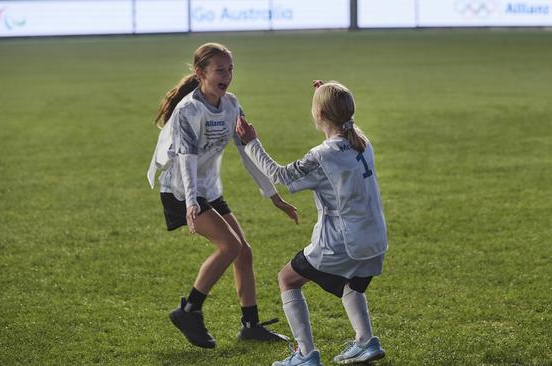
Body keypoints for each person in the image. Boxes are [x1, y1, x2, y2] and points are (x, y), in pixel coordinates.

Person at [147, 42, 298, 349]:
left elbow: (248, 153)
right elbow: (186, 160)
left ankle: (250, 326)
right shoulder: (188, 110)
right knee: (229, 246)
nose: (227, 75)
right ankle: (188, 310)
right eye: (220, 70)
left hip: (208, 190)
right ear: (200, 72)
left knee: (244, 251)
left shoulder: (231, 104)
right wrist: (190, 202)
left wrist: (274, 196)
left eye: (230, 69)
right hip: (180, 190)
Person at [236, 80, 388, 365]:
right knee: (351, 285)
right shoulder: (362, 142)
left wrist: (251, 143)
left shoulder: (322, 155)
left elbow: (280, 175)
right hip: (375, 239)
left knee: (287, 279)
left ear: (319, 115)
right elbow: (339, 121)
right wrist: (325, 95)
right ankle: (366, 342)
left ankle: (305, 355)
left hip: (342, 241)